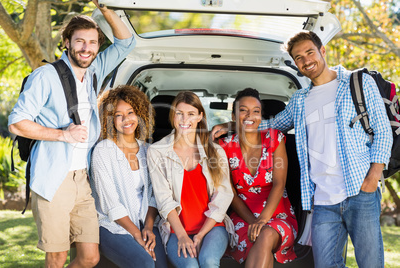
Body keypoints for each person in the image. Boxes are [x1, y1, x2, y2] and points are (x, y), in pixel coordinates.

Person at [212, 31, 393, 268]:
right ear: (296, 64)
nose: (306, 60)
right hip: (322, 199)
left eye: (310, 52)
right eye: (298, 57)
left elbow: (383, 131)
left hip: (359, 189)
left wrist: (373, 177)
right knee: (325, 265)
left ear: (322, 51)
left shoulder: (357, 82)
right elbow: (270, 124)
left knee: (370, 263)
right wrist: (232, 125)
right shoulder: (299, 99)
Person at [7, 1, 135, 267]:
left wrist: (107, 10)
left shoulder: (94, 71)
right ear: (66, 42)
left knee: (89, 257)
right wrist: (62, 135)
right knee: (56, 257)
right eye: (80, 41)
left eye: (92, 42)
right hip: (54, 178)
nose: (86, 48)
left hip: (82, 180)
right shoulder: (45, 76)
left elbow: (126, 43)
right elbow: (17, 123)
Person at [147, 91, 235, 268]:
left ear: (200, 117)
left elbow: (224, 196)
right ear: (173, 115)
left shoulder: (216, 151)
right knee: (190, 266)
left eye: (191, 114)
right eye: (179, 113)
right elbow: (163, 200)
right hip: (175, 229)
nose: (184, 119)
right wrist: (181, 236)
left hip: (212, 227)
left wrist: (201, 235)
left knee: (208, 261)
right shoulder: (157, 151)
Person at [90, 85, 167, 268]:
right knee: (145, 263)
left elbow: (152, 195)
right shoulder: (103, 150)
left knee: (161, 265)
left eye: (131, 112)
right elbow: (111, 205)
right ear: (110, 119)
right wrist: (137, 234)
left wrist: (148, 227)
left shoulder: (148, 150)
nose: (126, 119)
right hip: (112, 225)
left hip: (144, 222)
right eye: (118, 115)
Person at [219, 88, 297, 267]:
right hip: (243, 217)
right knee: (260, 238)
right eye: (243, 110)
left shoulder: (274, 138)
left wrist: (262, 220)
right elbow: (231, 194)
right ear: (233, 116)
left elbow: (279, 184)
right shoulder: (224, 147)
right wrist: (253, 222)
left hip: (278, 214)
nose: (250, 115)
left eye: (256, 111)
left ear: (261, 116)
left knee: (266, 234)